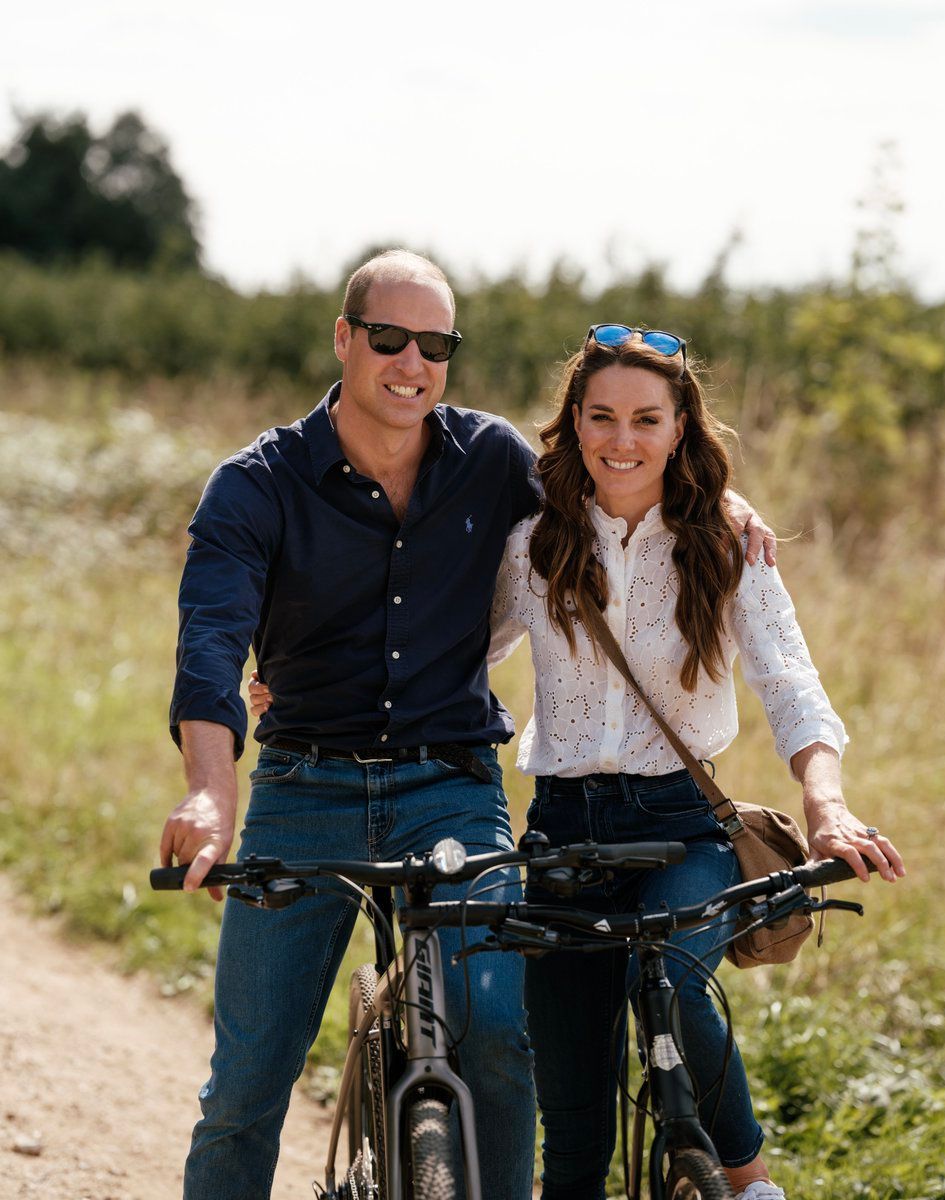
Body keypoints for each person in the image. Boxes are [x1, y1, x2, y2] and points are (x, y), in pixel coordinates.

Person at [169, 246, 772, 1200]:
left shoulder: (488, 462)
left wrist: (716, 496)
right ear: (344, 337)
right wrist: (210, 791)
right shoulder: (256, 486)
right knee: (247, 1084)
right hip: (301, 788)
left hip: (450, 787)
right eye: (389, 338)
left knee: (498, 1031)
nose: (412, 362)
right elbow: (210, 640)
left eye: (435, 343)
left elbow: (618, 478)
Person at [484, 325, 906, 1200]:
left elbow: (789, 681)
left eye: (646, 418)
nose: (622, 440)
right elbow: (456, 655)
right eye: (601, 417)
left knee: (675, 981)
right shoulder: (534, 544)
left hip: (683, 827)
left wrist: (825, 803)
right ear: (575, 421)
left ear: (681, 427)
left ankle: (750, 1185)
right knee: (572, 1136)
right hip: (561, 833)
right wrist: (303, 685)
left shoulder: (725, 542)